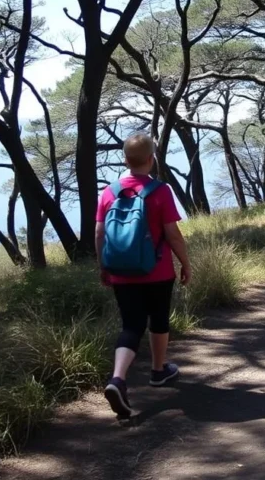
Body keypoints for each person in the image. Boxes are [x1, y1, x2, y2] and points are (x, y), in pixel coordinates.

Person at [95, 133, 192, 419]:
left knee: (131, 325)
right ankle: (159, 371)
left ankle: (118, 379)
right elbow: (173, 234)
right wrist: (185, 263)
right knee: (159, 320)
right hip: (158, 271)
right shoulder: (160, 191)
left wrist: (104, 266)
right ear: (151, 160)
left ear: (125, 160)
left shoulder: (109, 192)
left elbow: (100, 233)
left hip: (122, 273)